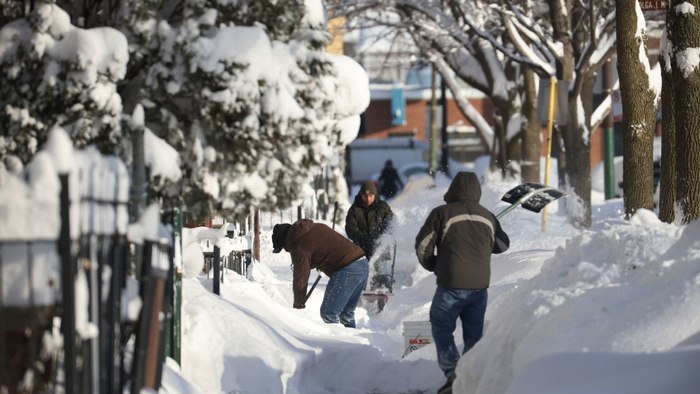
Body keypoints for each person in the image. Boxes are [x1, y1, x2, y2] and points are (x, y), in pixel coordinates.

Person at [414, 171, 510, 394]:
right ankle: (470, 380)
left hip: (451, 283)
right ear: (477, 191)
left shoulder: (442, 213)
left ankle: (453, 374)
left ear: (453, 189)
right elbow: (503, 246)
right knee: (473, 334)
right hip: (479, 286)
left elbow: (422, 246)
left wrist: (434, 264)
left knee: (441, 327)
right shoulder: (487, 216)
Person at [272, 219, 368, 328]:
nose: (286, 250)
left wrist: (298, 304)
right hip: (362, 264)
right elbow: (325, 248)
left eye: (283, 248)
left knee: (328, 313)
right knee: (346, 314)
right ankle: (352, 342)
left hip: (348, 268)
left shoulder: (297, 244)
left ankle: (338, 343)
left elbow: (301, 276)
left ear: (285, 242)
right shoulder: (312, 228)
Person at [346, 181, 395, 291]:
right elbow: (351, 229)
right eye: (365, 196)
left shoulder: (383, 207)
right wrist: (364, 239)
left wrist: (380, 238)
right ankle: (361, 299)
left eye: (370, 196)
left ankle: (382, 296)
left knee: (381, 278)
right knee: (363, 278)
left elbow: (390, 224)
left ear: (375, 195)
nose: (368, 199)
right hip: (361, 250)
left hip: (381, 250)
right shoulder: (354, 210)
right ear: (360, 195)